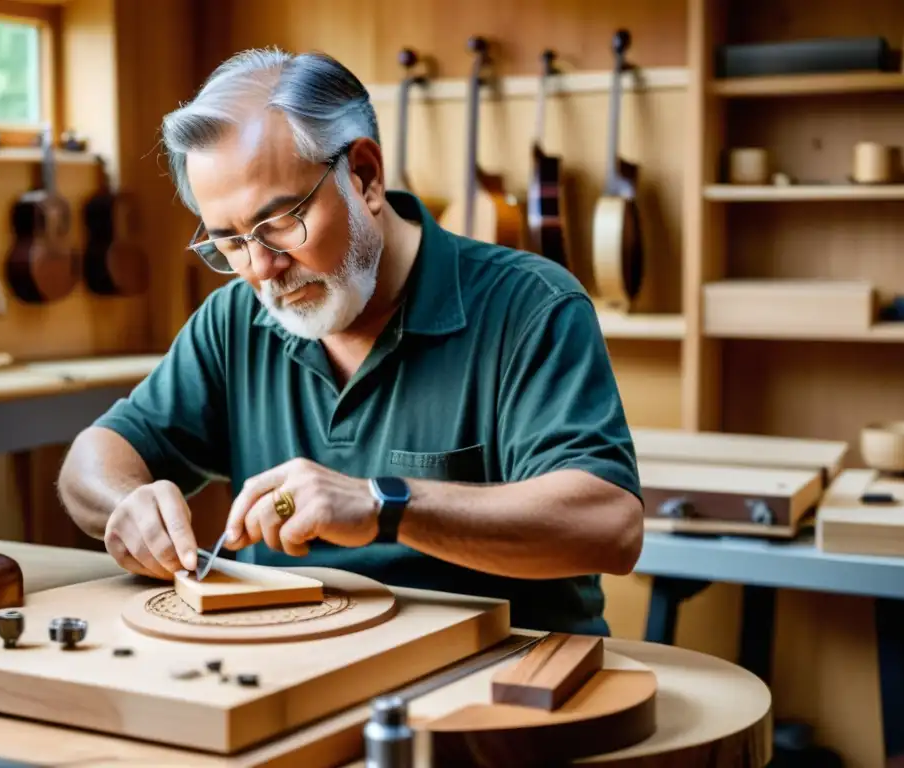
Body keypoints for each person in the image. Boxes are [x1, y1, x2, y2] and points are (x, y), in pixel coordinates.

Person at [57, 47, 644, 635]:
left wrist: (384, 504)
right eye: (229, 243)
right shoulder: (234, 320)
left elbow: (610, 527)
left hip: (501, 678)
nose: (262, 268)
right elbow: (92, 459)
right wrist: (128, 506)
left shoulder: (530, 307)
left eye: (281, 222)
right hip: (297, 671)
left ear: (364, 176)